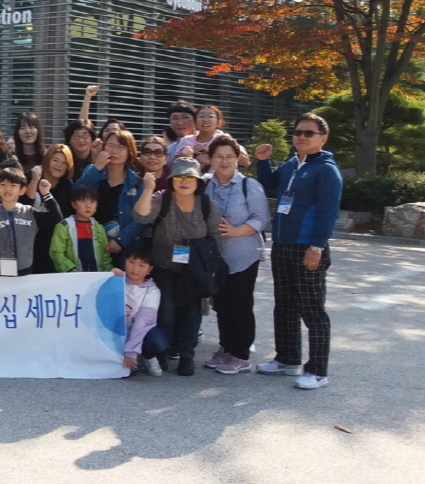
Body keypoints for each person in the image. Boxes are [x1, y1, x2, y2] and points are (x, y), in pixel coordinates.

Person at [254, 113, 342, 389]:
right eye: (298, 132)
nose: (301, 137)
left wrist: (317, 246)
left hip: (308, 248)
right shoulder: (292, 163)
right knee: (285, 307)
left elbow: (328, 213)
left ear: (323, 138)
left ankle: (317, 370)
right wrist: (262, 160)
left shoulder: (327, 170)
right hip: (282, 245)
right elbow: (269, 184)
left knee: (312, 310)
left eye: (309, 133)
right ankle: (287, 358)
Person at [131, 157, 223, 376]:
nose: (184, 181)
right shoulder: (162, 199)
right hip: (164, 266)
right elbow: (140, 216)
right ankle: (164, 354)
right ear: (171, 180)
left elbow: (217, 235)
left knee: (192, 312)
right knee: (166, 311)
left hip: (194, 271)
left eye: (189, 177)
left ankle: (187, 356)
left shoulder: (206, 204)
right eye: (179, 177)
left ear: (198, 181)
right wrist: (149, 188)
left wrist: (207, 263)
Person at [203, 135, 269, 375]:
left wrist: (234, 231)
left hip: (243, 255)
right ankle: (226, 348)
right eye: (219, 156)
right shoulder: (205, 184)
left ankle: (241, 355)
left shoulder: (248, 185)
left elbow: (261, 218)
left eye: (230, 156)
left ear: (238, 159)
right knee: (221, 303)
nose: (224, 161)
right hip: (215, 258)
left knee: (240, 304)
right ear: (210, 159)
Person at [0, 168, 59, 276]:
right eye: (3, 185)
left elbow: (56, 218)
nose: (7, 189)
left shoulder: (29, 212)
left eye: (13, 185)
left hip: (26, 273)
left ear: (22, 190)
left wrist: (46, 194)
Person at [77, 128, 146, 261]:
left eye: (120, 147)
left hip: (125, 248)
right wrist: (96, 168)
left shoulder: (137, 183)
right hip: (92, 241)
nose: (114, 151)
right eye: (110, 145)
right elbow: (76, 193)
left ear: (129, 151)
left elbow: (141, 219)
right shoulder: (93, 171)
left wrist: (120, 241)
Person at [121, 246, 170, 377]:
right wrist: (109, 276)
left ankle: (147, 356)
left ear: (150, 270)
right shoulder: (115, 281)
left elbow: (142, 322)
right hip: (114, 333)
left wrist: (131, 351)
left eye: (142, 265)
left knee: (158, 341)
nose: (135, 269)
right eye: (131, 262)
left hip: (139, 333)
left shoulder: (152, 291)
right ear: (124, 261)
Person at [49, 183, 113, 274]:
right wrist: (71, 269)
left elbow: (105, 255)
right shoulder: (64, 226)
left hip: (96, 276)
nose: (88, 206)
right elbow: (56, 253)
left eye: (92, 202)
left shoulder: (98, 227)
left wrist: (108, 272)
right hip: (73, 277)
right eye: (83, 201)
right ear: (74, 204)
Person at [41, 143, 75, 217]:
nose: (59, 165)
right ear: (47, 160)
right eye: (55, 160)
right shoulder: (33, 178)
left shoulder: (68, 186)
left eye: (64, 163)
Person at [13, 112, 47, 179]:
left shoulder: (47, 157)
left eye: (31, 127)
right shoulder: (12, 158)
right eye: (23, 128)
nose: (28, 131)